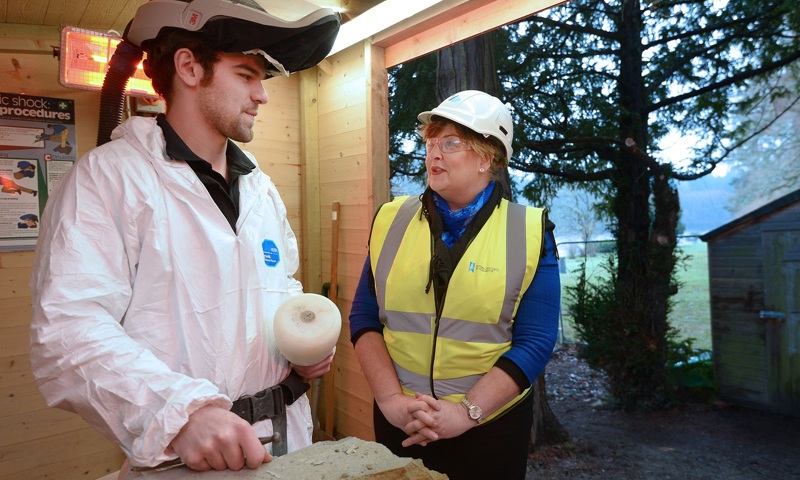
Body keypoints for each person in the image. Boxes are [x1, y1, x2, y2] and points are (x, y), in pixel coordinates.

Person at [29, 0, 339, 472]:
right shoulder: (110, 179)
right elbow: (69, 332)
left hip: (285, 444)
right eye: (246, 74)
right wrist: (180, 415)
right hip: (183, 456)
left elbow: (276, 288)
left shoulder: (258, 185)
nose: (262, 95)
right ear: (190, 68)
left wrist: (299, 348)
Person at [349, 90, 560, 479]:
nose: (433, 154)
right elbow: (364, 318)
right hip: (403, 423)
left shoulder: (529, 232)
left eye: (451, 143)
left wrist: (466, 412)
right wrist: (392, 401)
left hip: (489, 428)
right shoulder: (390, 220)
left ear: (489, 158)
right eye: (430, 142)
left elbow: (536, 341)